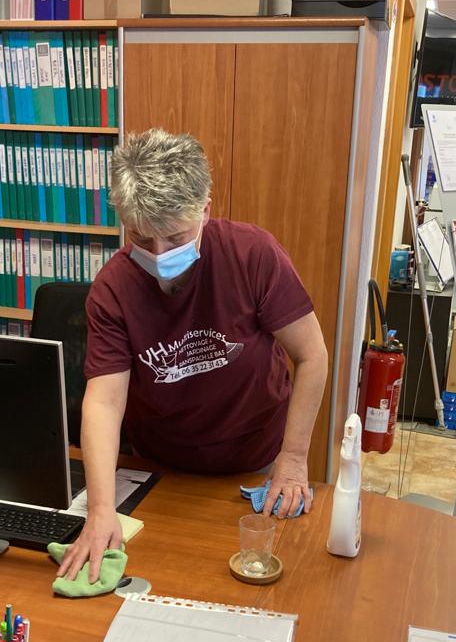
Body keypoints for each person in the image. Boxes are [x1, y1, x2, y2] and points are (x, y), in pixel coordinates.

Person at [57, 129, 328, 582]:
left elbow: (312, 356)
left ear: (205, 210)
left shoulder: (252, 255)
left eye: (175, 237)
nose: (159, 254)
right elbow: (104, 401)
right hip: (162, 468)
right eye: (142, 239)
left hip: (256, 459)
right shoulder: (113, 289)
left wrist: (295, 456)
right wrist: (101, 510)